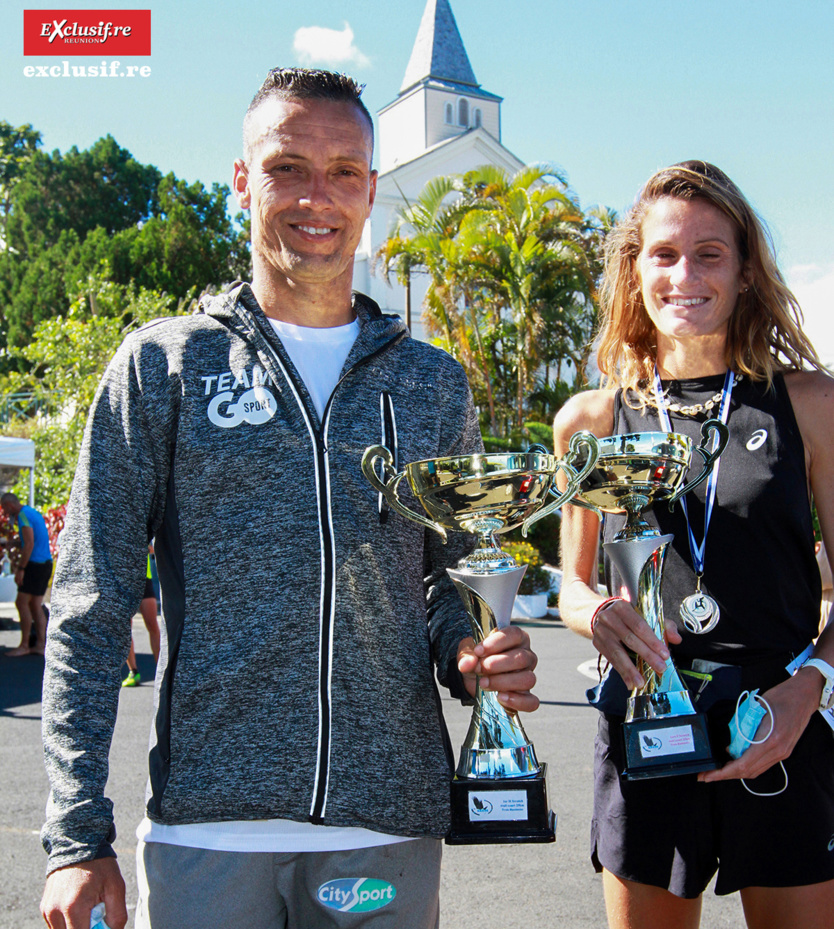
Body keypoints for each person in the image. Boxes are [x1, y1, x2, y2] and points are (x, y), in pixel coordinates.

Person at [39, 68, 539, 929]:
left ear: (372, 189)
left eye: (345, 170)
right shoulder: (164, 367)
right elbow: (90, 608)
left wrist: (473, 653)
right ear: (241, 180)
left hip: (383, 822)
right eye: (287, 167)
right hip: (209, 831)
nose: (319, 195)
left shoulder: (431, 384)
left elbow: (446, 581)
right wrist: (76, 835)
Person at [554, 161, 834, 929]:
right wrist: (598, 614)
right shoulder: (590, 419)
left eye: (710, 253)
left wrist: (809, 687)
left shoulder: (809, 403)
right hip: (647, 721)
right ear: (634, 269)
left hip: (777, 724)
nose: (686, 274)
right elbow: (571, 583)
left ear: (745, 272)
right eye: (664, 254)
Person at [0, 492, 53, 657]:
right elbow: (33, 539)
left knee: (21, 602)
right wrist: (15, 542)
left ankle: (24, 645)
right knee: (35, 604)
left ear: (9, 505)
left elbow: (29, 544)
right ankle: (41, 644)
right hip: (45, 563)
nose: (5, 514)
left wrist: (21, 568)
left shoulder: (22, 516)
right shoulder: (31, 512)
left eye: (4, 509)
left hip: (35, 564)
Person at [121, 547, 161, 687]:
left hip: (144, 578)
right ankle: (133, 671)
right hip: (124, 579)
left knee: (152, 625)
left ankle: (161, 671)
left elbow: (153, 548)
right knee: (125, 628)